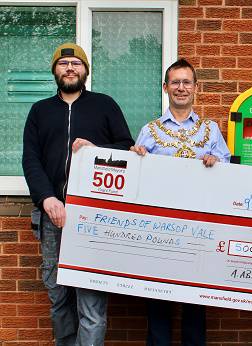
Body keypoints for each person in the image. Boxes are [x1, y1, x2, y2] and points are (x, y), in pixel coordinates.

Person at [22, 43, 134, 345]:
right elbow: (30, 159)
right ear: (55, 71)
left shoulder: (105, 105)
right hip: (52, 217)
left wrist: (97, 151)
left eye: (76, 63)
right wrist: (47, 198)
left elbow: (127, 148)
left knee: (92, 303)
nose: (70, 68)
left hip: (94, 217)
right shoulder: (39, 111)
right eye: (63, 64)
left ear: (85, 70)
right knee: (59, 298)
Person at [131, 58, 230, 346]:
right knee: (158, 308)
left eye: (187, 82)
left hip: (200, 232)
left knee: (195, 308)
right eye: (175, 82)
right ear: (166, 87)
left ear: (196, 88)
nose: (181, 88)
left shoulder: (211, 130)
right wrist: (135, 157)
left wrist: (217, 163)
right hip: (160, 231)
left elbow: (229, 179)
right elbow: (136, 179)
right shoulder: (150, 131)